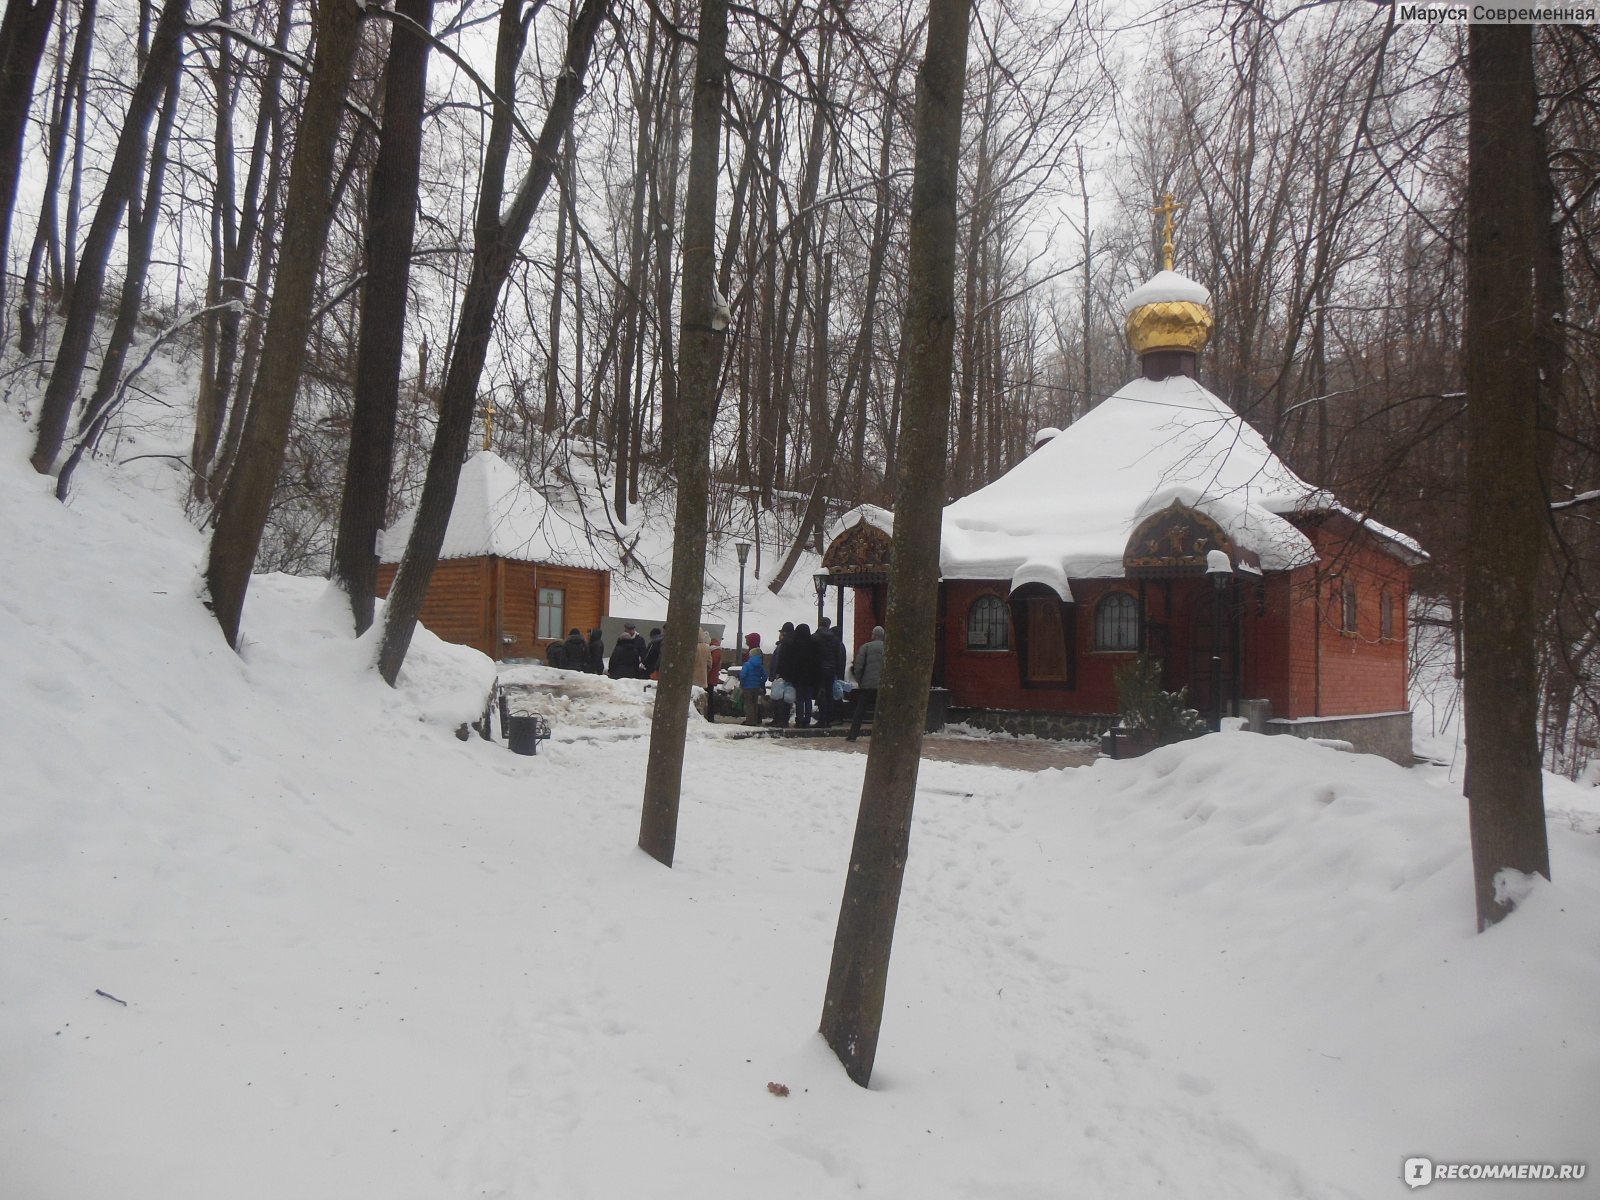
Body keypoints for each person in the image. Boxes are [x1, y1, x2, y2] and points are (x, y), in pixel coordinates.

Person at [846, 625, 886, 742]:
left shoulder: (866, 647)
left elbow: (858, 666)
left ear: (873, 635)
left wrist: (860, 681)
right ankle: (882, 735)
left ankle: (853, 734)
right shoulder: (888, 647)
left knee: (860, 710)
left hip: (867, 686)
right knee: (882, 710)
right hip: (882, 686)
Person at [786, 622, 823, 728]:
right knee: (808, 699)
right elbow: (817, 662)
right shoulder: (814, 644)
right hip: (810, 677)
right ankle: (807, 719)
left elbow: (791, 662)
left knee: (799, 699)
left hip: (798, 676)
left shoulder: (795, 644)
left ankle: (799, 719)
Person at [813, 620, 843, 728]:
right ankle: (829, 719)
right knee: (829, 694)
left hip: (820, 670)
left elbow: (813, 656)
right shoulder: (835, 639)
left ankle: (821, 719)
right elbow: (838, 656)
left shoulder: (815, 638)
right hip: (831, 670)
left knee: (821, 694)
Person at [766, 622, 796, 727]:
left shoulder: (783, 644)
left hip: (781, 675)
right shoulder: (793, 642)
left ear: (783, 633)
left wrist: (775, 674)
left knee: (779, 699)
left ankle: (780, 720)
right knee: (785, 699)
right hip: (788, 676)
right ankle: (781, 719)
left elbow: (778, 660)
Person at [739, 633, 766, 726]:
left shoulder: (748, 663)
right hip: (756, 686)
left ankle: (750, 720)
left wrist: (742, 683)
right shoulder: (760, 661)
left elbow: (743, 675)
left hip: (747, 686)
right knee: (754, 703)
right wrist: (761, 682)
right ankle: (755, 719)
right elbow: (765, 675)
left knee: (748, 704)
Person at [692, 630, 716, 722]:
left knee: (692, 699)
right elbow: (710, 664)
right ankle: (702, 717)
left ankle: (694, 717)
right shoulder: (707, 648)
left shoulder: (692, 647)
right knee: (701, 700)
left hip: (692, 678)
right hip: (703, 678)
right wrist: (705, 672)